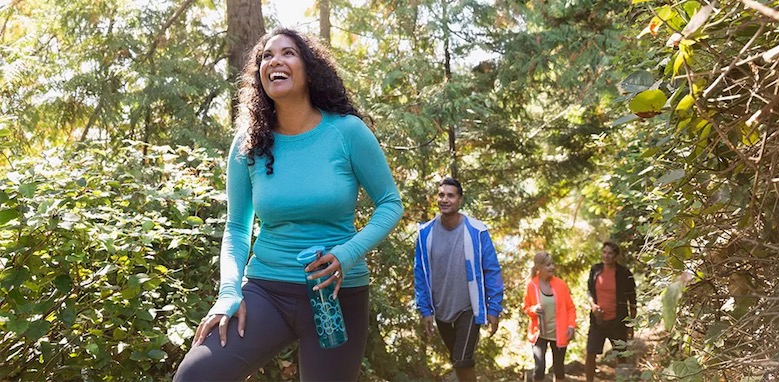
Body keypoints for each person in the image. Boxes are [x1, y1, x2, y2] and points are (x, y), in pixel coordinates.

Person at [173, 28, 404, 381]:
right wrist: (228, 293)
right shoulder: (249, 142)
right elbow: (237, 227)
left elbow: (390, 204)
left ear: (309, 68)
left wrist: (346, 254)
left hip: (337, 294)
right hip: (267, 290)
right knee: (196, 374)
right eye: (266, 56)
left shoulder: (347, 132)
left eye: (288, 53)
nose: (275, 61)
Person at [413, 177, 504, 382]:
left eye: (450, 195)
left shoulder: (476, 230)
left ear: (460, 200)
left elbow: (492, 271)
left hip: (469, 307)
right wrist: (425, 310)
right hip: (441, 308)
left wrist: (494, 308)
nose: (445, 199)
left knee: (463, 360)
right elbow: (420, 273)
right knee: (458, 360)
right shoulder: (425, 233)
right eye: (441, 195)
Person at [585, 241, 637, 381]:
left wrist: (631, 325)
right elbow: (589, 291)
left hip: (618, 322)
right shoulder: (595, 270)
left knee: (621, 355)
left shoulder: (624, 273)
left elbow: (632, 301)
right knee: (590, 353)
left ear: (616, 256)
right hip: (598, 321)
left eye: (610, 253)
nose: (606, 256)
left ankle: (623, 379)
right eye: (604, 252)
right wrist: (593, 306)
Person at [523, 251, 576, 382]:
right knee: (539, 369)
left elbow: (571, 308)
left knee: (559, 370)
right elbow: (525, 307)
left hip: (559, 333)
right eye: (547, 265)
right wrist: (533, 309)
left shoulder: (560, 285)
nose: (551, 267)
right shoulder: (531, 285)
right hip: (539, 334)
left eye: (552, 264)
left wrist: (571, 326)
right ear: (538, 268)